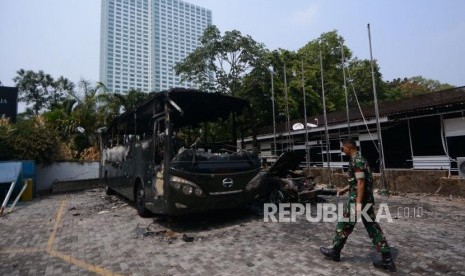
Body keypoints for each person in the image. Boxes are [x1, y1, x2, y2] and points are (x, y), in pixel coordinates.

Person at [320, 138, 396, 272]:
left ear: (348, 147)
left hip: (358, 201)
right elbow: (357, 181)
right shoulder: (361, 159)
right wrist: (346, 188)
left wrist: (358, 203)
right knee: (373, 228)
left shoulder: (356, 161)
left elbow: (361, 183)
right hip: (364, 199)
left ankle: (335, 252)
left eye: (342, 148)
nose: (342, 151)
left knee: (343, 225)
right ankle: (387, 259)